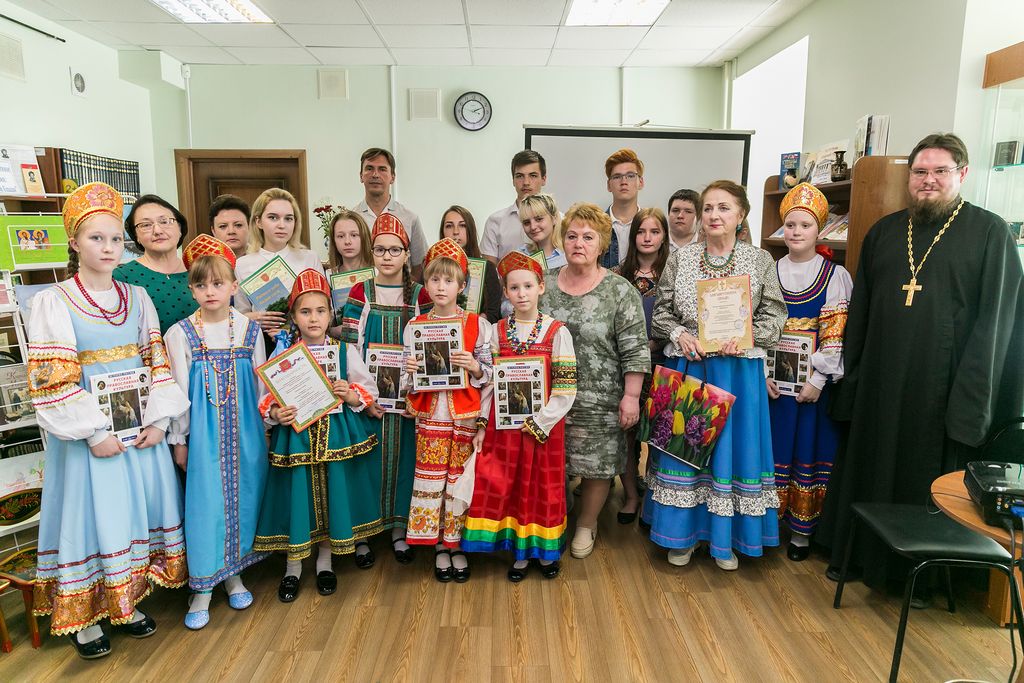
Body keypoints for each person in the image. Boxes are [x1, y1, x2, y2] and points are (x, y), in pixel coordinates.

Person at [818, 133, 1024, 591]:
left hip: (943, 387)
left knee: (926, 476)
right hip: (881, 381)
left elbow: (997, 325)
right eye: (920, 172)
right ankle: (859, 556)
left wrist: (972, 398)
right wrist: (853, 380)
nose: (928, 180)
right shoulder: (885, 232)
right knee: (871, 465)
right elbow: (861, 314)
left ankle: (924, 578)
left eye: (940, 171)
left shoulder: (990, 233)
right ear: (909, 176)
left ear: (962, 174)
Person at [28, 182, 189, 659]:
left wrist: (159, 422)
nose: (108, 247)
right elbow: (53, 378)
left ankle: (127, 601)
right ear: (75, 242)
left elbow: (156, 361)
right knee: (92, 516)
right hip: (89, 437)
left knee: (132, 512)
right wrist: (94, 432)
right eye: (96, 238)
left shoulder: (137, 296)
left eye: (116, 238)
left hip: (138, 429)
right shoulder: (54, 301)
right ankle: (88, 617)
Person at [644, 180, 787, 571]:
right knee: (686, 453)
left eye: (723, 208)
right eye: (708, 208)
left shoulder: (759, 260)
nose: (713, 215)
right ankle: (683, 537)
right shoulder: (681, 259)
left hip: (739, 371)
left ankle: (729, 538)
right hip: (691, 365)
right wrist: (680, 334)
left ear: (741, 215)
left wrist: (746, 336)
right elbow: (661, 314)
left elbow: (776, 315)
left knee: (732, 454)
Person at [254, 270, 382, 603]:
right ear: (294, 316)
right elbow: (265, 396)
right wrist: (275, 413)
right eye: (305, 311)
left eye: (321, 311)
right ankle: (293, 567)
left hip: (336, 432)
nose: (313, 318)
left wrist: (349, 393)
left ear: (330, 315)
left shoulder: (343, 351)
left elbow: (367, 388)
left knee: (331, 493)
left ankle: (325, 562)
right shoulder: (283, 354)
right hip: (297, 436)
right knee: (299, 495)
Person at [165, 235, 269, 630]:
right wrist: (180, 439)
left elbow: (261, 384)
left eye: (218, 283)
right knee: (205, 505)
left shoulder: (248, 330)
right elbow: (177, 390)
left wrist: (266, 428)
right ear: (191, 289)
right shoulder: (180, 334)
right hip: (204, 436)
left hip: (246, 432)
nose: (210, 291)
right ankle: (203, 586)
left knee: (243, 498)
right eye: (201, 284)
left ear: (233, 286)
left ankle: (234, 575)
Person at [541, 203, 651, 559]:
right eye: (572, 236)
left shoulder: (620, 291)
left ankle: (587, 524)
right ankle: (555, 517)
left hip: (600, 400)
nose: (579, 243)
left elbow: (635, 349)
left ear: (602, 244)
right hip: (548, 398)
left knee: (598, 466)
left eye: (588, 237)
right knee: (550, 461)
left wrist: (631, 396)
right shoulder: (543, 285)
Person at [462, 252, 577, 581]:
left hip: (543, 430)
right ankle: (519, 554)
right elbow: (489, 384)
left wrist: (541, 422)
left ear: (541, 287)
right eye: (514, 288)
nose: (522, 293)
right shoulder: (497, 331)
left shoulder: (557, 332)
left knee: (542, 488)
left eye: (528, 286)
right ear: (506, 292)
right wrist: (482, 424)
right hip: (505, 429)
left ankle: (544, 552)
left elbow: (566, 387)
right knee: (510, 487)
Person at [765, 183, 852, 562]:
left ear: (820, 230)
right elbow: (757, 327)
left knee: (809, 451)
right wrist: (762, 372)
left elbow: (836, 333)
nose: (796, 232)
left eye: (805, 225)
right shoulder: (769, 271)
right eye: (790, 225)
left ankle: (802, 533)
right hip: (773, 383)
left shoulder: (834, 275)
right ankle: (767, 526)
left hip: (812, 388)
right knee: (773, 450)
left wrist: (818, 380)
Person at [341, 214, 432, 565]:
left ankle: (398, 529)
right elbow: (350, 348)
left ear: (407, 254)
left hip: (407, 399)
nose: (387, 256)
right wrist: (363, 399)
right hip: (370, 397)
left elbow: (428, 347)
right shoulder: (360, 292)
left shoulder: (421, 294)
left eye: (395, 250)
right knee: (366, 462)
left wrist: (415, 395)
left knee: (405, 460)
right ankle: (363, 533)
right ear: (372, 252)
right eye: (380, 249)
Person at [403, 238, 492, 583]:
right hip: (431, 415)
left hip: (464, 415)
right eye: (435, 279)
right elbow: (406, 383)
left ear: (462, 286)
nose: (441, 286)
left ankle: (457, 543)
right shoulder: (415, 326)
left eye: (449, 280)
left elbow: (490, 375)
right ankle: (440, 544)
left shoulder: (477, 324)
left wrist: (474, 366)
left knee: (458, 479)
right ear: (426, 284)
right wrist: (411, 372)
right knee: (432, 478)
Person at [614, 207, 671, 524]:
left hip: (664, 364)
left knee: (661, 435)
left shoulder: (674, 273)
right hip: (626, 366)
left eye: (655, 231)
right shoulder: (617, 275)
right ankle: (631, 495)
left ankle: (654, 496)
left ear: (664, 236)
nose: (647, 238)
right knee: (626, 434)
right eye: (641, 231)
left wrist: (657, 342)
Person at [234, 187, 324, 336]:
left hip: (305, 339)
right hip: (262, 339)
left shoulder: (310, 258)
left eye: (288, 218)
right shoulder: (243, 264)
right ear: (258, 221)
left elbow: (325, 308)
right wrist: (255, 318)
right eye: (273, 217)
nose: (281, 225)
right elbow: (239, 315)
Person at [114, 194, 197, 335]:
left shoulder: (200, 272)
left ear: (180, 228)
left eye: (165, 222)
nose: (157, 231)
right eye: (146, 225)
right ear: (136, 236)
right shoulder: (121, 277)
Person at [353, 147, 428, 278]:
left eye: (382, 169)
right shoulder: (352, 219)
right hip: (362, 290)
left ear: (392, 177)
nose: (375, 174)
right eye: (369, 168)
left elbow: (419, 265)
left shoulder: (410, 218)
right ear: (361, 176)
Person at [481, 150, 548, 263]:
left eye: (533, 175)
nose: (526, 182)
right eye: (520, 176)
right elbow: (488, 271)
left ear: (543, 179)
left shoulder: (560, 220)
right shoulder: (495, 222)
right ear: (513, 180)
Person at [440, 205, 502, 322]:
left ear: (470, 230)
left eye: (462, 225)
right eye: (449, 226)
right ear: (442, 231)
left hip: (477, 330)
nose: (456, 232)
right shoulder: (432, 267)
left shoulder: (487, 268)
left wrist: (482, 319)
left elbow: (494, 313)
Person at [599, 148, 644, 267]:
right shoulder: (596, 226)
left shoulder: (652, 226)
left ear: (641, 182)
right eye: (617, 177)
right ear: (609, 185)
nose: (624, 181)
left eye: (630, 176)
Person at [326, 208, 374, 275]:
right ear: (334, 241)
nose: (347, 242)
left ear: (364, 237)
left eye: (354, 235)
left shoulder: (378, 273)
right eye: (341, 236)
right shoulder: (328, 276)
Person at [209, 194, 251, 259]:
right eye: (223, 226)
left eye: (238, 225)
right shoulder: (204, 263)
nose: (231, 231)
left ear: (249, 227)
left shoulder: (264, 261)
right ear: (213, 231)